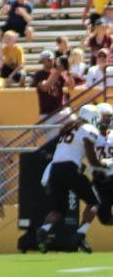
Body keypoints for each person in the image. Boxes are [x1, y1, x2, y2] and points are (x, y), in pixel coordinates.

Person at [37, 104, 106, 253]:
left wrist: (88, 168)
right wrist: (103, 166)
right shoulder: (88, 129)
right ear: (93, 118)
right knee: (94, 202)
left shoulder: (69, 128)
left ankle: (44, 228)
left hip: (54, 170)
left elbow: (71, 155)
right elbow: (92, 158)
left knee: (58, 210)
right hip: (69, 169)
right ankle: (80, 233)